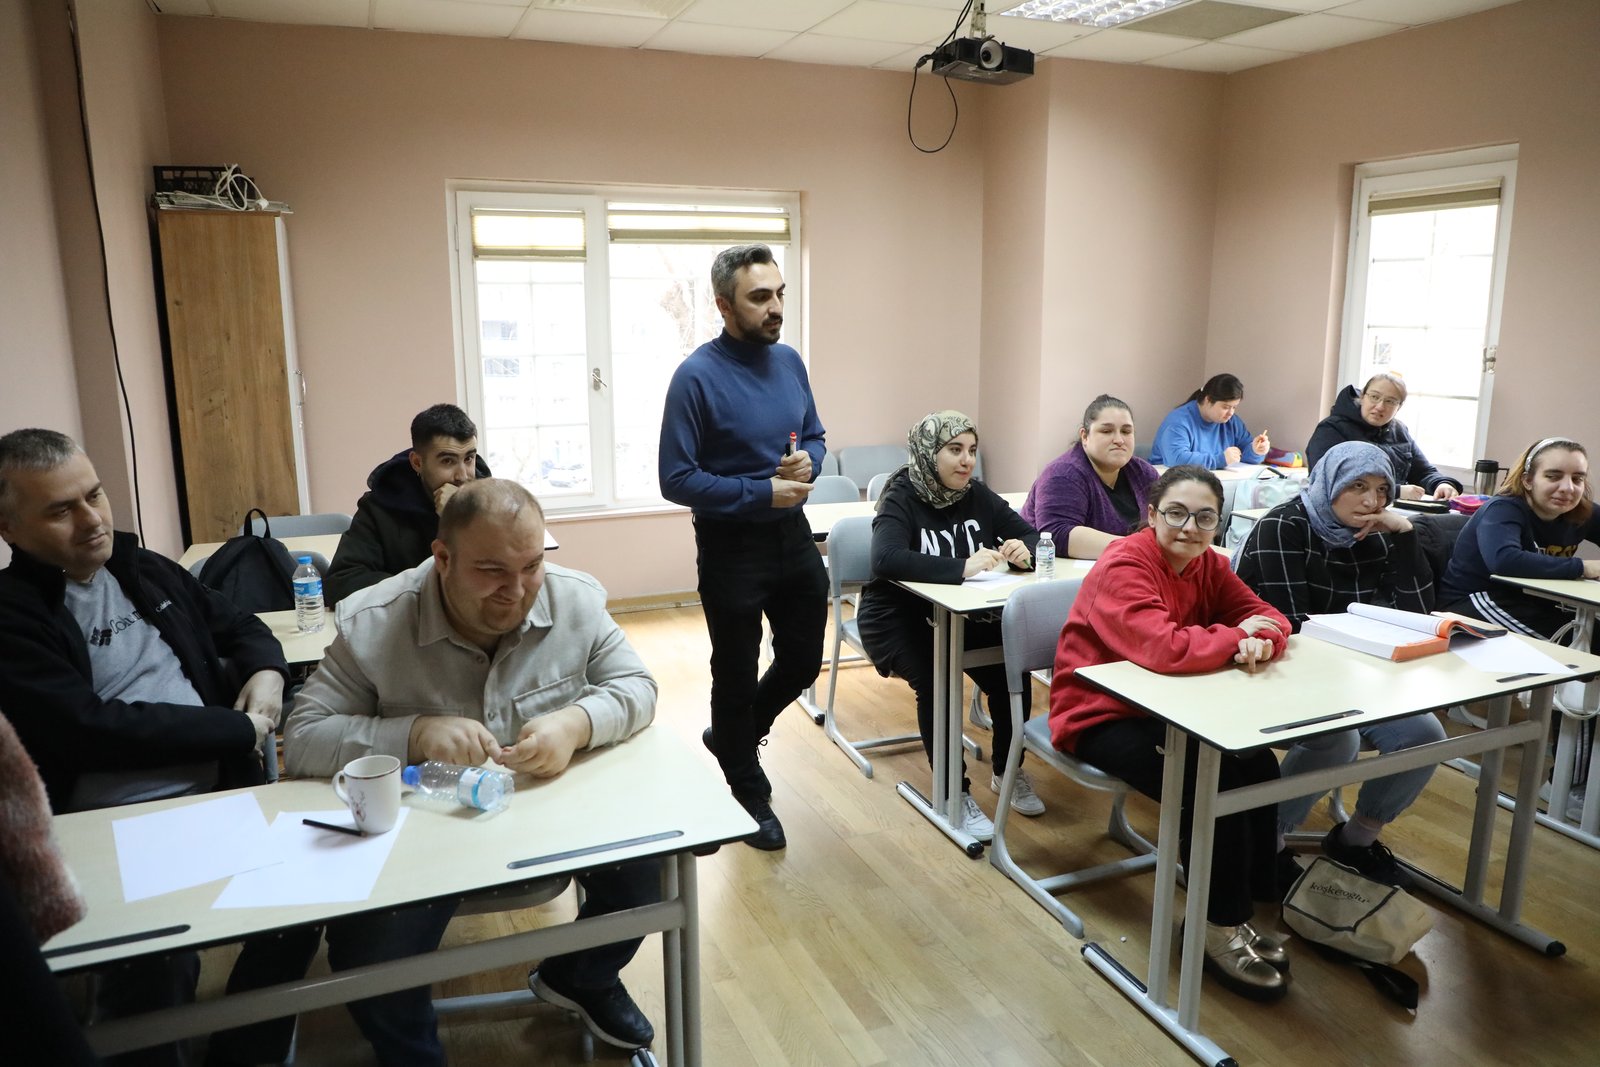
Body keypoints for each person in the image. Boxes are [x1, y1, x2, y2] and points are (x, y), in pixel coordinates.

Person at [284, 479, 659, 1062]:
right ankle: (413, 1053)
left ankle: (582, 976)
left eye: (531, 566)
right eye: (491, 572)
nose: (518, 591)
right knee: (370, 950)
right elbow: (304, 737)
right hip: (426, 838)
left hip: (548, 815)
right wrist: (412, 734)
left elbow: (637, 686)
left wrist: (577, 723)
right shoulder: (374, 622)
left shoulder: (574, 601)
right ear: (443, 558)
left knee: (649, 877)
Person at [0, 428, 316, 1067]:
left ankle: (246, 1050)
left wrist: (268, 671)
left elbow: (240, 625)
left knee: (301, 910)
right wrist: (237, 729)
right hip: (111, 823)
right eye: (61, 510)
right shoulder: (12, 616)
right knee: (159, 965)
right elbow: (88, 729)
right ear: (8, 528)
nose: (92, 520)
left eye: (95, 495)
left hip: (221, 791)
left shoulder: (141, 568)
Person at [1049, 466, 1292, 1001]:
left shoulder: (1208, 563)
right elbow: (1164, 649)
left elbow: (1267, 616)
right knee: (1210, 782)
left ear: (1218, 522)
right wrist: (1236, 636)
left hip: (1168, 709)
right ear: (1152, 514)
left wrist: (1262, 639)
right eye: (1176, 513)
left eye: (1205, 517)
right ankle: (1214, 926)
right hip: (1098, 714)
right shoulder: (1125, 563)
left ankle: (1240, 908)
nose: (1189, 527)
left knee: (1255, 761)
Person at [657, 243, 828, 852]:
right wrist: (761, 492)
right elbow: (675, 478)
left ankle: (732, 737)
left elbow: (815, 435)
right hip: (730, 544)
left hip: (792, 535)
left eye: (779, 293)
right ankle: (745, 787)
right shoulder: (696, 377)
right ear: (724, 305)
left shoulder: (790, 362)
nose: (775, 307)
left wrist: (810, 461)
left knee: (803, 661)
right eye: (760, 297)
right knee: (734, 670)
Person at [1233, 441, 1446, 884]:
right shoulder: (1284, 526)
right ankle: (1266, 842)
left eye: (1382, 489)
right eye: (1358, 486)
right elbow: (1290, 625)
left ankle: (1356, 840)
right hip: (1272, 669)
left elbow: (1416, 614)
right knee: (1339, 738)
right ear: (1330, 484)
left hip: (1350, 674)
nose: (1372, 501)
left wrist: (1405, 535)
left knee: (1425, 735)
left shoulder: (1379, 532)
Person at [856, 411, 1042, 840]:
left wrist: (1023, 550)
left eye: (972, 450)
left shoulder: (977, 495)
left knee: (1012, 669)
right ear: (929, 452)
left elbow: (1032, 534)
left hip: (962, 614)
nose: (966, 460)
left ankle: (1007, 770)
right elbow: (884, 559)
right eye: (954, 450)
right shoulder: (901, 495)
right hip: (896, 615)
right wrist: (961, 567)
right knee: (937, 681)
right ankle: (952, 791)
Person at [325, 402, 491, 606]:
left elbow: (501, 572)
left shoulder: (492, 502)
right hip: (408, 620)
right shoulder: (380, 507)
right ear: (417, 463)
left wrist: (458, 517)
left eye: (469, 458)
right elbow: (341, 583)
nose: (462, 476)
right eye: (448, 461)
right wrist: (425, 588)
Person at [1020, 394, 1159, 559]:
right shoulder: (1062, 474)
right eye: (1107, 431)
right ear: (1085, 436)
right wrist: (1136, 548)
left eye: (1126, 431)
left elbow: (1164, 522)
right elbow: (1057, 535)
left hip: (1129, 564)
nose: (1119, 440)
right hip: (1056, 571)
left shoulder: (1144, 473)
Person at [1304, 372, 1462, 501]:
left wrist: (1441, 484)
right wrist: (1396, 491)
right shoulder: (1332, 429)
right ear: (1362, 397)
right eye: (1374, 397)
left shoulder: (1400, 431)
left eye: (1390, 401)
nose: (1380, 407)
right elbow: (1326, 480)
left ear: (1399, 407)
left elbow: (1423, 472)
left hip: (1394, 511)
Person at [1149, 373, 1270, 469]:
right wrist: (1221, 459)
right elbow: (1176, 459)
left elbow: (1244, 454)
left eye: (1234, 407)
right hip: (1168, 484)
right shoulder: (1179, 421)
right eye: (1225, 407)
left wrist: (1255, 451)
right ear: (1208, 400)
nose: (1231, 413)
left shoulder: (1232, 422)